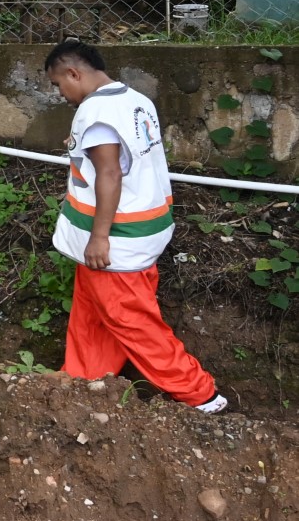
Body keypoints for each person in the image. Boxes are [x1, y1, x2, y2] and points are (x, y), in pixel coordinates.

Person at [44, 40, 225, 412]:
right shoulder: (135, 100)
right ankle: (82, 379)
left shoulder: (96, 112)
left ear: (73, 73)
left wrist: (99, 238)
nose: (61, 94)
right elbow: (122, 157)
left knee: (131, 320)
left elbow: (110, 172)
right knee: (92, 312)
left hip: (115, 240)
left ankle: (200, 394)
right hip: (142, 227)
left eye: (58, 85)